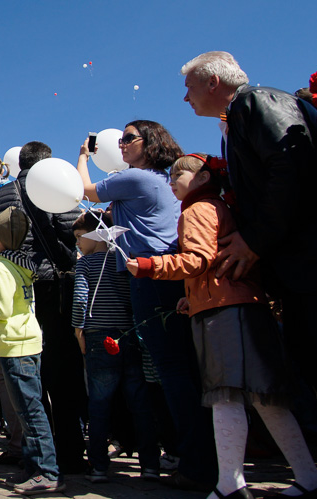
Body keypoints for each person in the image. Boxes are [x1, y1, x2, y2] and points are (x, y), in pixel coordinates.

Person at [128, 153, 317, 498]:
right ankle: (309, 479)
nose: (173, 179)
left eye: (180, 173)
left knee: (225, 397)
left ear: (203, 178)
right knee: (266, 399)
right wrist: (192, 297)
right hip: (238, 304)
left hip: (223, 312)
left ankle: (230, 485)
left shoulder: (196, 210)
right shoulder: (217, 207)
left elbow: (198, 258)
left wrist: (149, 266)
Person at [181, 50, 317, 443]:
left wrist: (255, 239)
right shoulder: (238, 119)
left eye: (188, 88)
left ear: (212, 83)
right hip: (303, 266)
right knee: (316, 363)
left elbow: (289, 163)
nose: (185, 99)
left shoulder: (257, 102)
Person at [77, 121, 217, 491]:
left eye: (128, 139)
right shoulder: (162, 182)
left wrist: (81, 157)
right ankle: (202, 456)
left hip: (151, 278)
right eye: (120, 140)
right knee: (184, 370)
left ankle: (197, 465)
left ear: (149, 142)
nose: (121, 145)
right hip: (172, 276)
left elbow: (83, 190)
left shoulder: (138, 179)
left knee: (173, 373)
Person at [0, 141, 85, 473]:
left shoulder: (1, 195)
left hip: (17, 287)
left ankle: (38, 454)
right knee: (63, 374)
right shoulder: (53, 181)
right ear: (48, 162)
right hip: (52, 287)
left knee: (29, 378)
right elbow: (71, 230)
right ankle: (70, 453)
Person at [0, 206, 63, 496]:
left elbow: (1, 309)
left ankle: (47, 471)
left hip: (14, 346)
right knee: (28, 410)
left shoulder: (0, 267)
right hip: (29, 341)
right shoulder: (22, 263)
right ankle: (34, 469)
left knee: (30, 412)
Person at [70, 211, 159, 483]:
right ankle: (150, 465)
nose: (77, 243)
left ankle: (98, 465)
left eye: (79, 237)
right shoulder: (123, 260)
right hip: (128, 334)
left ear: (94, 235)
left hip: (97, 335)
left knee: (99, 403)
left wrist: (78, 331)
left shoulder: (86, 264)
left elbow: (81, 299)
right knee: (140, 403)